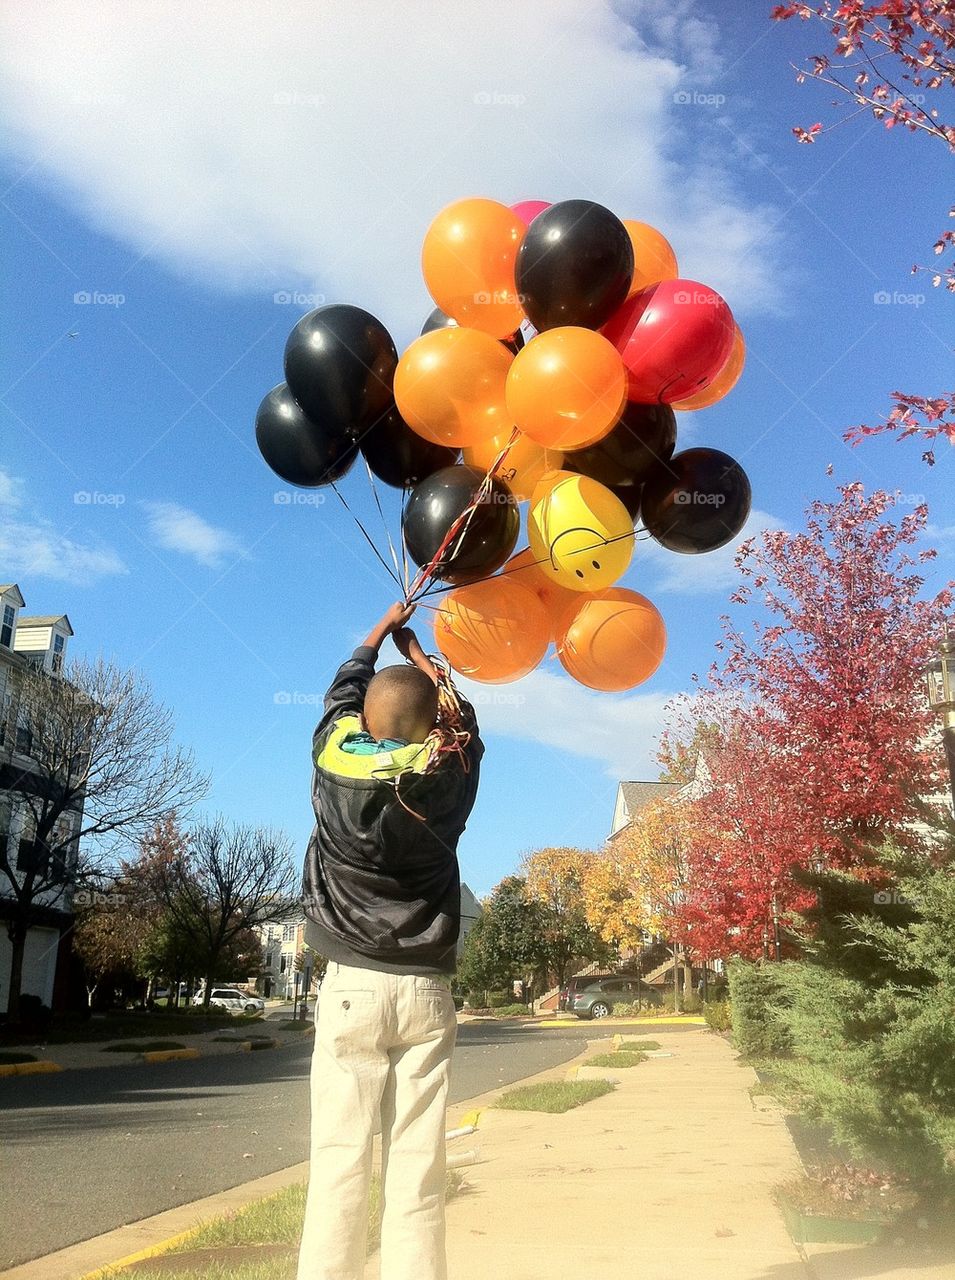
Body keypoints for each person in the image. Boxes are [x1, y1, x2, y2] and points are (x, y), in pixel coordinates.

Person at [296, 601, 483, 1280]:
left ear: (363, 723)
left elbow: (342, 691)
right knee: (417, 1163)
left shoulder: (331, 760)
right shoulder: (448, 777)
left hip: (350, 986)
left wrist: (378, 630)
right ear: (431, 724)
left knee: (339, 1158)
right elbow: (461, 722)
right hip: (424, 990)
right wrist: (427, 663)